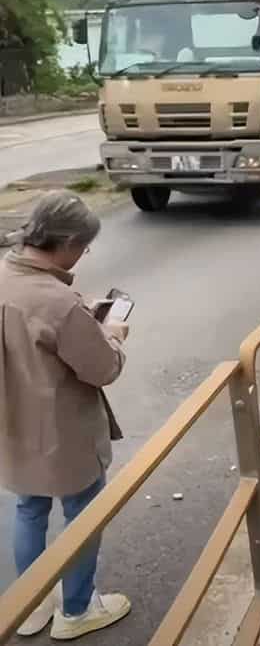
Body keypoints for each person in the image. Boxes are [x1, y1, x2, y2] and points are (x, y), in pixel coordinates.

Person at [0, 191, 131, 640]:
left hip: (13, 424)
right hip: (64, 431)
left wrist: (81, 319)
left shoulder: (5, 275)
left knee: (29, 507)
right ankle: (76, 610)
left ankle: (30, 605)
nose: (83, 254)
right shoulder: (57, 302)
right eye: (84, 246)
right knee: (82, 515)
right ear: (70, 241)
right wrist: (110, 334)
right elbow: (102, 369)